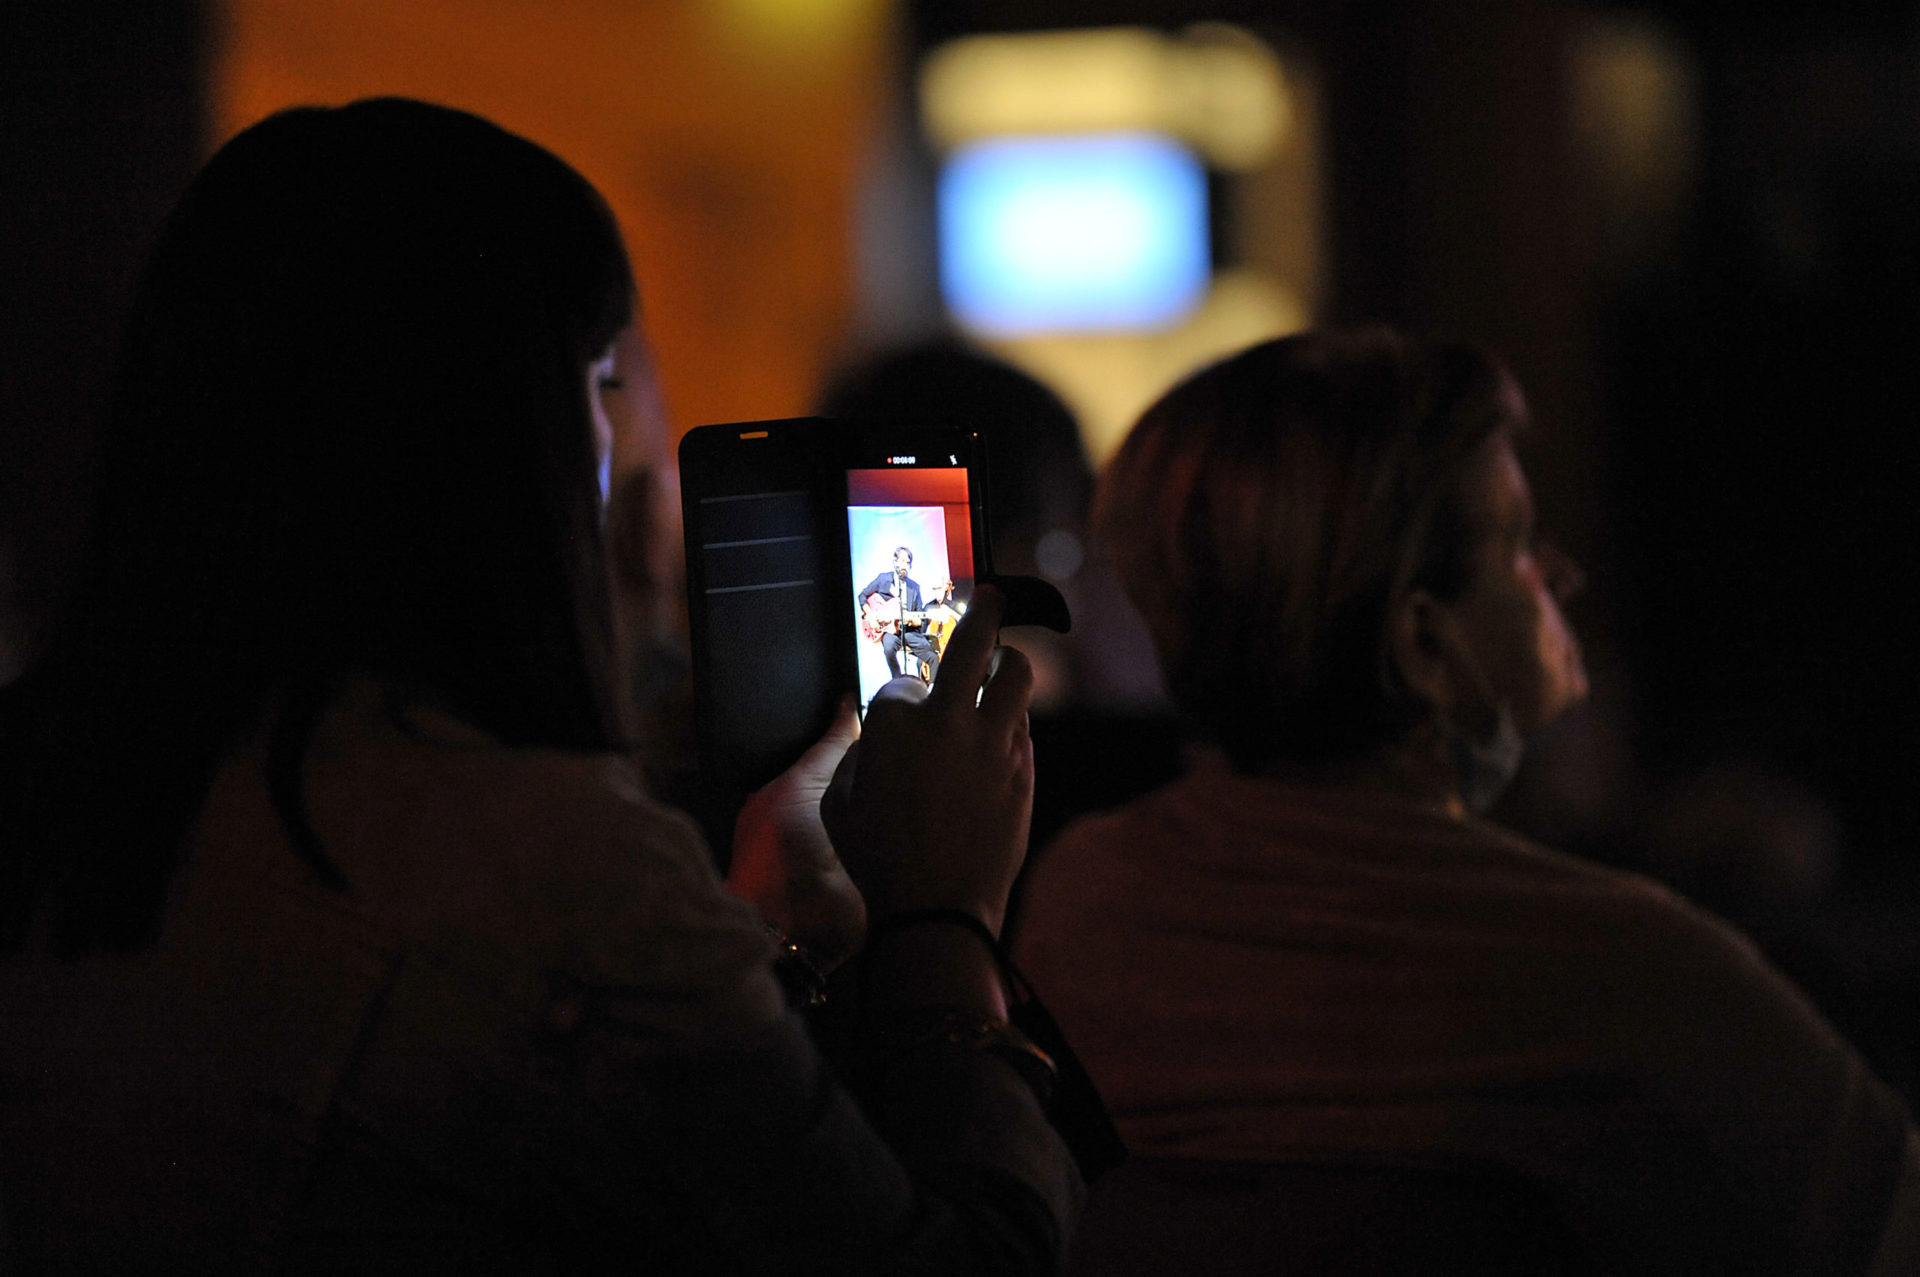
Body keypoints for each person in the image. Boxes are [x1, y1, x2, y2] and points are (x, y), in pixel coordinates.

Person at [0, 98, 1079, 1272]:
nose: (628, 449)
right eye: (608, 375)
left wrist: (752, 925)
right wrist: (943, 918)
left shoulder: (55, 772)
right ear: (515, 427)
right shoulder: (553, 866)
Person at [1012, 328, 1919, 1274]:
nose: (1561, 573)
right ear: (1422, 643)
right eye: (1519, 542)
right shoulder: (1627, 971)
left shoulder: (1082, 894)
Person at [857, 545, 947, 683]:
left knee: (932, 657)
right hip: (891, 632)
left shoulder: (914, 587)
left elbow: (920, 619)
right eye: (902, 561)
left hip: (909, 632)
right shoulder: (883, 580)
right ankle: (898, 680)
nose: (905, 565)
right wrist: (870, 615)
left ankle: (933, 690)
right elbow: (862, 596)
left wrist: (912, 621)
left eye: (908, 562)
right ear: (895, 562)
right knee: (888, 647)